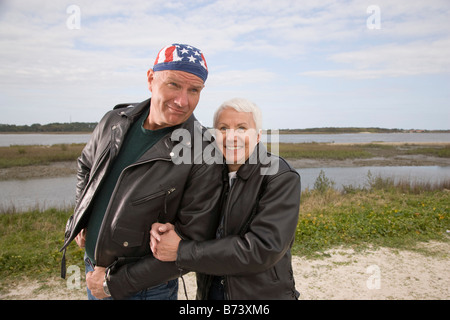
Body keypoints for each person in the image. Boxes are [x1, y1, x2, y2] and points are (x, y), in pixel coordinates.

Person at [60, 43, 222, 300]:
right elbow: (86, 166)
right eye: (173, 85)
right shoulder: (114, 120)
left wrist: (115, 284)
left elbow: (192, 245)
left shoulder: (203, 152)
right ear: (151, 79)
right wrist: (82, 217)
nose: (183, 101)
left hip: (145, 290)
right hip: (93, 272)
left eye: (194, 90)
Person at [151, 98, 301, 299]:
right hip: (210, 291)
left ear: (257, 136)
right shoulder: (207, 174)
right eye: (223, 128)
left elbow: (263, 248)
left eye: (241, 128)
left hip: (260, 296)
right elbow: (194, 221)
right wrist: (166, 229)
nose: (232, 137)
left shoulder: (280, 176)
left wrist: (181, 251)